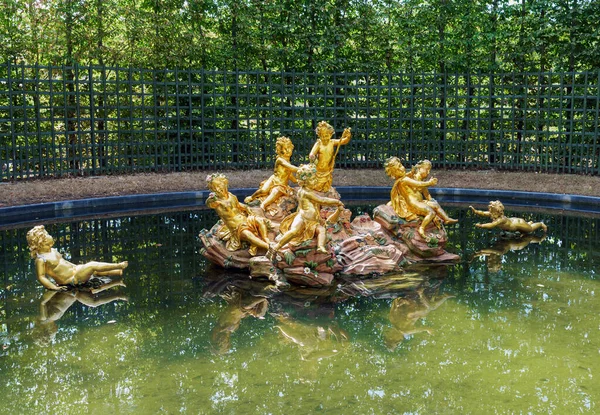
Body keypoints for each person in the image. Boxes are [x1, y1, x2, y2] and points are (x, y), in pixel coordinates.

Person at [26, 225, 128, 291]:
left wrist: (78, 267)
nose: (50, 245)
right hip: (72, 279)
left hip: (76, 270)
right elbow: (41, 277)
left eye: (51, 244)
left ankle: (117, 272)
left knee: (94, 271)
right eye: (47, 244)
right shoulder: (41, 259)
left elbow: (64, 262)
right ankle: (118, 265)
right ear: (40, 243)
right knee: (92, 265)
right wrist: (54, 287)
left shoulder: (53, 250)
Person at [272, 164, 344, 254]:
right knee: (294, 231)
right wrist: (336, 202)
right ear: (305, 181)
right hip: (302, 218)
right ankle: (277, 246)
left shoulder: (303, 191)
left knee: (322, 230)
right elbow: (322, 200)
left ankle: (320, 246)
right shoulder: (306, 192)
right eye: (313, 179)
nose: (315, 181)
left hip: (311, 222)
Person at [384, 157, 457, 238]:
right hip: (413, 204)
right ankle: (421, 228)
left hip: (418, 201)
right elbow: (418, 184)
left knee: (435, 205)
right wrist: (429, 183)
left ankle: (446, 218)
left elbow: (410, 178)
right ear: (395, 173)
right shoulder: (404, 180)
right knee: (431, 212)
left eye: (401, 165)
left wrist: (411, 172)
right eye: (399, 168)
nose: (402, 168)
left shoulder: (403, 178)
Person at [206, 173, 271, 255]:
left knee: (260, 221)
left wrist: (247, 209)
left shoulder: (231, 196)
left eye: (219, 185)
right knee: (249, 235)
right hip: (236, 227)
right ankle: (269, 248)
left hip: (245, 220)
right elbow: (208, 203)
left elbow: (239, 205)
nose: (218, 189)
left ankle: (266, 239)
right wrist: (211, 199)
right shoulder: (216, 202)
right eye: (214, 188)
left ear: (225, 184)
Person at [244, 136, 298, 213]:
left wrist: (299, 180)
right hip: (273, 180)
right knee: (263, 191)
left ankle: (263, 205)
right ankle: (252, 197)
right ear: (280, 150)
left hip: (281, 185)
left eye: (288, 148)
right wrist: (303, 169)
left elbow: (290, 176)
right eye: (284, 148)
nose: (287, 151)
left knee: (275, 193)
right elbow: (291, 168)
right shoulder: (280, 160)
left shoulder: (288, 162)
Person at [308, 121, 351, 192]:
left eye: (327, 136)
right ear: (319, 135)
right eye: (322, 136)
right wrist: (312, 156)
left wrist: (348, 136)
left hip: (327, 170)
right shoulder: (318, 144)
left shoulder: (332, 142)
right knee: (317, 187)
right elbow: (312, 153)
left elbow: (343, 141)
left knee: (325, 188)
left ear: (330, 135)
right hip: (318, 170)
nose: (325, 138)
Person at [470, 200, 548, 233]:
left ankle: (541, 224)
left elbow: (492, 225)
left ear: (498, 211)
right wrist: (475, 211)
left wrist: (481, 225)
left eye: (492, 209)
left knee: (530, 229)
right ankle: (529, 223)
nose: (490, 211)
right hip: (513, 221)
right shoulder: (493, 214)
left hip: (517, 224)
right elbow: (483, 213)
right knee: (527, 227)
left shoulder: (501, 219)